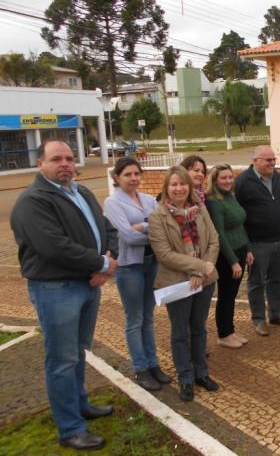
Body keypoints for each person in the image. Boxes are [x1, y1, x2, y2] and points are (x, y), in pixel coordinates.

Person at [10, 139, 118, 450]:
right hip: (56, 289)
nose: (65, 164)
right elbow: (54, 246)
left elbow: (106, 228)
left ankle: (80, 405)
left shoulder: (81, 192)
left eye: (70, 158)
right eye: (56, 159)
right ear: (40, 164)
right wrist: (101, 262)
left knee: (79, 351)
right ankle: (70, 428)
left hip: (89, 284)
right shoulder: (33, 201)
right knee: (61, 359)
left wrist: (109, 258)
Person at [148, 166, 221, 401]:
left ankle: (201, 372)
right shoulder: (157, 216)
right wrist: (199, 267)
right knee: (180, 332)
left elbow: (213, 241)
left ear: (189, 186)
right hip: (177, 283)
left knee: (199, 328)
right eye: (174, 184)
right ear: (167, 188)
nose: (179, 188)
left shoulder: (200, 209)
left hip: (204, 281)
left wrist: (204, 270)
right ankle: (185, 378)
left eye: (183, 184)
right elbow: (165, 254)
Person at [104, 157, 172, 390]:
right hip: (129, 267)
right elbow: (127, 237)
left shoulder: (148, 199)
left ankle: (153, 364)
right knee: (135, 320)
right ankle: (141, 369)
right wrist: (148, 229)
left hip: (151, 263)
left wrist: (141, 227)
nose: (133, 178)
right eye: (127, 174)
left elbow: (163, 226)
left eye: (136, 174)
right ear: (117, 178)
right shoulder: (112, 203)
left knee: (149, 317)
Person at [235, 145, 280, 336]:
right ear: (255, 161)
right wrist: (247, 246)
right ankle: (259, 319)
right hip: (257, 242)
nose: (272, 163)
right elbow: (238, 214)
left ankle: (276, 314)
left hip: (279, 238)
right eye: (268, 160)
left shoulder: (279, 179)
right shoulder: (243, 182)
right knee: (256, 282)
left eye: (273, 159)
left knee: (276, 280)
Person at [206, 164, 254, 348]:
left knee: (232, 295)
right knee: (226, 295)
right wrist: (233, 261)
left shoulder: (230, 197)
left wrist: (248, 249)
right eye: (223, 178)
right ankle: (223, 334)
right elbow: (220, 234)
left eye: (230, 177)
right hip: (227, 256)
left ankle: (230, 331)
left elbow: (240, 225)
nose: (228, 181)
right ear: (215, 180)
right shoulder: (214, 202)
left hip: (241, 251)